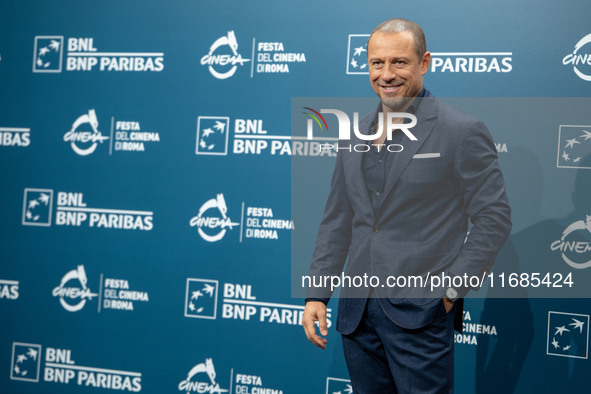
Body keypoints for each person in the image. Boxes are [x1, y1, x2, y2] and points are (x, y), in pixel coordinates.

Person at [302, 18, 511, 393]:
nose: (386, 74)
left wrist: (449, 293)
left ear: (424, 63)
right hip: (357, 315)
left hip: (421, 314)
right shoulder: (355, 134)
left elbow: (494, 218)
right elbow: (337, 221)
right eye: (377, 63)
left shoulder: (460, 130)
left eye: (399, 62)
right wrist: (318, 293)